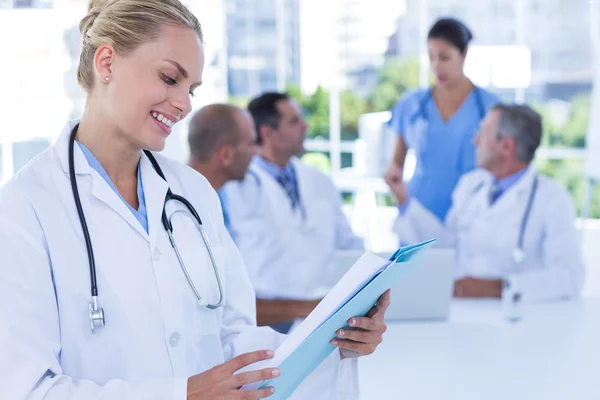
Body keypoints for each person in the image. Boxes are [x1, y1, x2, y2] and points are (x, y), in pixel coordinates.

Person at [0, 1, 390, 398]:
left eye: (191, 89)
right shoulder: (25, 208)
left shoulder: (192, 193)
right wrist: (180, 394)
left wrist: (335, 342)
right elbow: (27, 389)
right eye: (170, 78)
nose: (185, 104)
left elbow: (234, 337)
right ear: (106, 63)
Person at [389, 104, 585, 302]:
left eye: (482, 133)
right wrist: (403, 199)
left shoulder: (552, 199)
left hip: (516, 320)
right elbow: (446, 244)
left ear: (506, 146)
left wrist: (499, 287)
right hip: (459, 313)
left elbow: (570, 277)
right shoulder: (471, 184)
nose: (475, 141)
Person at [223, 92, 365, 333]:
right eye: (294, 121)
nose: (305, 126)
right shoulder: (234, 187)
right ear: (268, 132)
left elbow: (350, 246)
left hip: (322, 317)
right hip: (262, 321)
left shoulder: (319, 181)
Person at [385, 18, 501, 242]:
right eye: (431, 57)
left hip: (472, 216)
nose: (437, 65)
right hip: (418, 215)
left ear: (464, 54)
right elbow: (395, 164)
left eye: (445, 57)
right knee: (418, 276)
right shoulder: (411, 104)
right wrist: (394, 182)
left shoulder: (490, 108)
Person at [187, 104, 257, 235]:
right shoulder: (181, 209)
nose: (255, 153)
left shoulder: (220, 197)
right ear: (226, 155)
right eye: (250, 144)